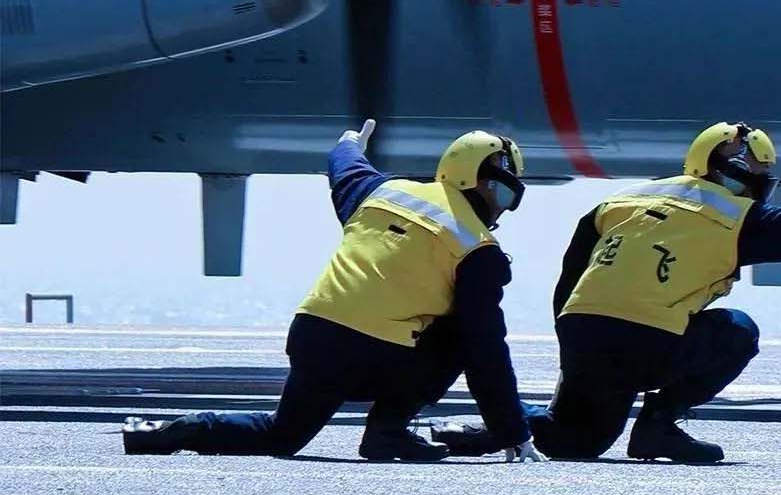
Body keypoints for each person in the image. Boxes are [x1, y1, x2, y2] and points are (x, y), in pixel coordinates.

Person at [431, 121, 781, 464]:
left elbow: (572, 276)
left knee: (574, 441)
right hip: (649, 340)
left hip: (585, 331)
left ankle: (488, 429)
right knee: (737, 330)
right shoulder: (738, 216)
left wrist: (572, 353)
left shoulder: (619, 202)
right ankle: (659, 424)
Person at [120, 119, 544, 463]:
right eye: (499, 191)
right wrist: (513, 431)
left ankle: (169, 431)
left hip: (315, 339)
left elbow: (345, 167)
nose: (499, 206)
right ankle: (387, 430)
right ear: (469, 179)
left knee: (280, 435)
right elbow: (487, 353)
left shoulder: (381, 192)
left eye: (509, 197)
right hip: (380, 356)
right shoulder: (478, 249)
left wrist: (349, 143)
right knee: (464, 335)